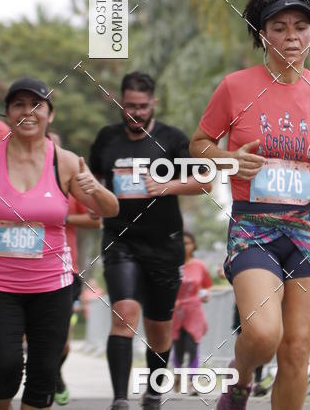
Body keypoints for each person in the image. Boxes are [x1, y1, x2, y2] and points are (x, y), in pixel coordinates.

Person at [190, 0, 310, 410]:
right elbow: (199, 144)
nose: (291, 37)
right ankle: (242, 379)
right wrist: (230, 159)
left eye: (301, 27)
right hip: (254, 224)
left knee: (296, 348)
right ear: (262, 34)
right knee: (264, 333)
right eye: (280, 27)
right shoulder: (235, 87)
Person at [0, 76, 119, 410]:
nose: (28, 112)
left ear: (50, 113)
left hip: (52, 286)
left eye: (37, 105)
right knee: (3, 367)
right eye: (18, 104)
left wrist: (93, 187)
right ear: (7, 113)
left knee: (44, 374)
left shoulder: (65, 161)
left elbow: (110, 210)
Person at [88, 71, 211, 410]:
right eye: (130, 106)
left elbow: (205, 181)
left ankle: (153, 393)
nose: (136, 113)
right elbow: (93, 179)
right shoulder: (107, 139)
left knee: (159, 329)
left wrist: (166, 186)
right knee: (124, 314)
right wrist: (94, 200)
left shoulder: (171, 139)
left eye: (143, 106)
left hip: (164, 244)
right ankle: (119, 399)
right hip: (120, 240)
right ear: (121, 103)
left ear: (153, 103)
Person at [49, 131, 101, 406]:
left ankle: (54, 373)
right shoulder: (14, 175)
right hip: (19, 268)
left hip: (65, 268)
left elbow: (96, 218)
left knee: (63, 340)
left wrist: (62, 216)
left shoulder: (69, 179)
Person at [171, 232, 212, 393]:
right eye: (181, 243)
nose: (184, 246)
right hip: (176, 310)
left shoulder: (200, 266)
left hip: (194, 311)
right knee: (178, 347)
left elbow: (207, 286)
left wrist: (206, 294)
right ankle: (178, 374)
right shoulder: (171, 266)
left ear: (193, 245)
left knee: (192, 344)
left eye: (187, 243)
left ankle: (192, 381)